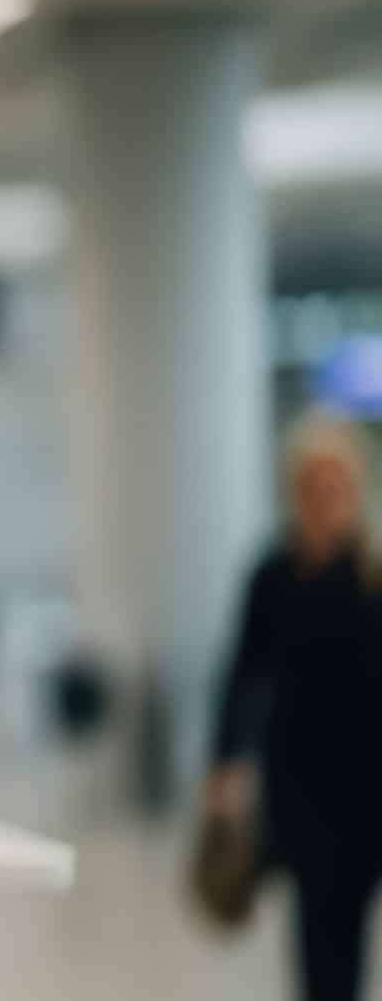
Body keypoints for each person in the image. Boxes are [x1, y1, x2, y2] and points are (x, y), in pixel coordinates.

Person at [206, 415, 382, 1001]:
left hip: (369, 780)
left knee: (351, 919)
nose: (327, 497)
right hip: (300, 779)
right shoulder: (273, 573)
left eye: (339, 483)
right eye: (316, 484)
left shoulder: (372, 571)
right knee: (315, 926)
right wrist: (224, 763)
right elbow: (241, 672)